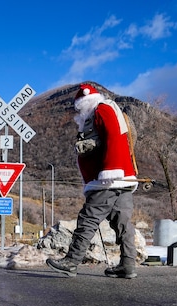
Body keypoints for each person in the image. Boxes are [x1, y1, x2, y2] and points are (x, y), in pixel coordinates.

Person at [47, 83, 138, 278]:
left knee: (88, 219)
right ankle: (128, 265)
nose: (78, 110)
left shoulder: (102, 109)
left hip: (108, 179)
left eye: (79, 106)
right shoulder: (102, 112)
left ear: (87, 102)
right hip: (122, 179)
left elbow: (113, 135)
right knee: (123, 224)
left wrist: (110, 169)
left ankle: (72, 261)